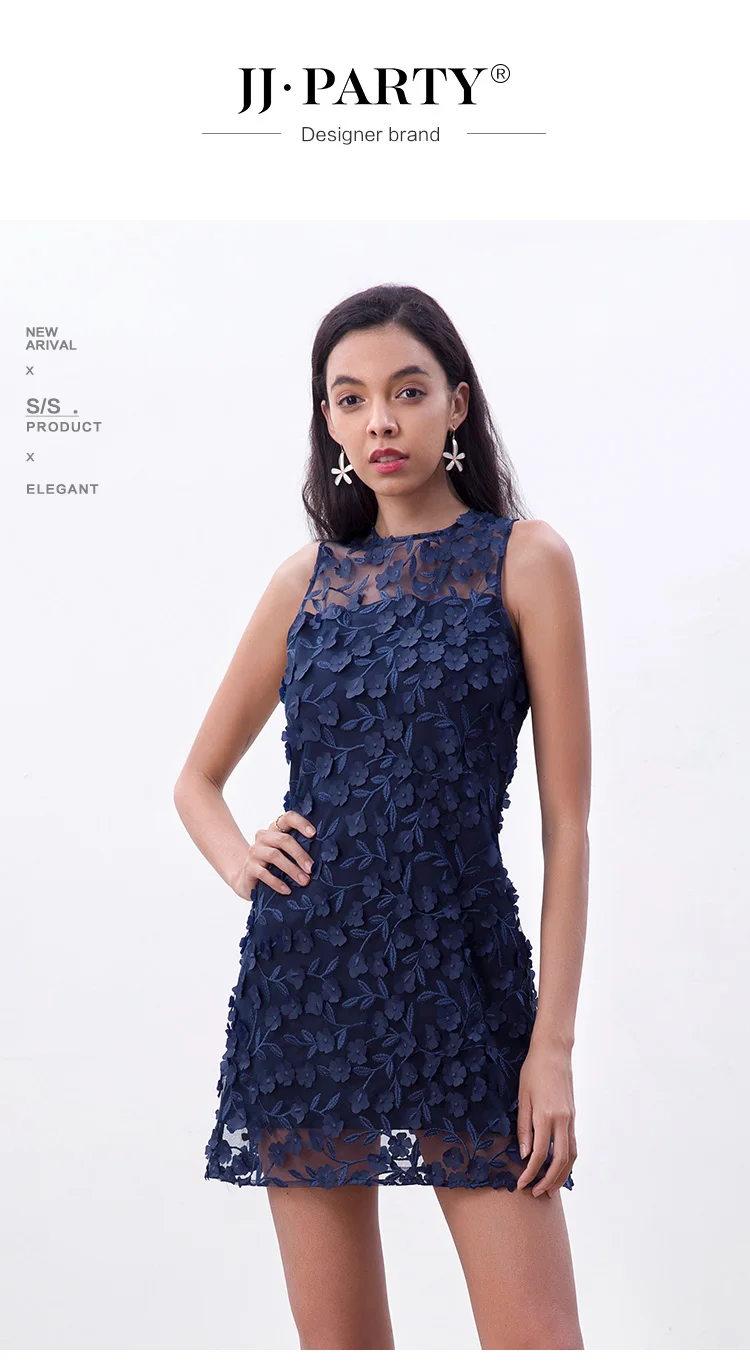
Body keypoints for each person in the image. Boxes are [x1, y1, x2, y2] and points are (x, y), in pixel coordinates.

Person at [174, 283, 590, 1350]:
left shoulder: (525, 560)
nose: (380, 423)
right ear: (328, 420)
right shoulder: (305, 581)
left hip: (465, 990)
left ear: (457, 403)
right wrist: (241, 859)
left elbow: (568, 827)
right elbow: (197, 780)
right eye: (350, 399)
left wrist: (551, 1048)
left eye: (407, 391)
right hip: (308, 991)